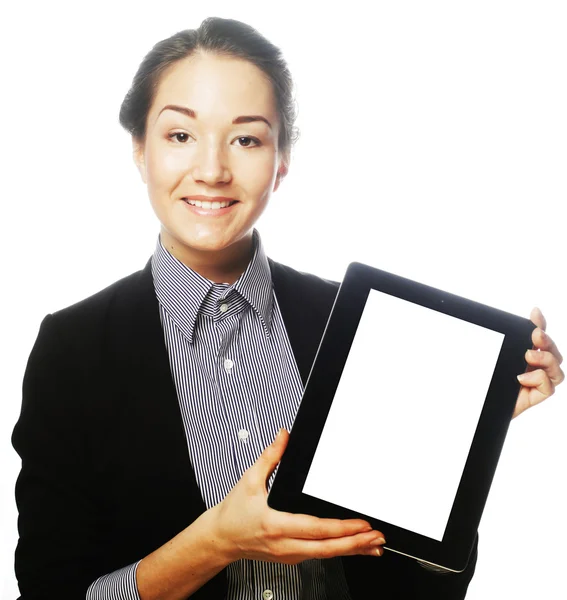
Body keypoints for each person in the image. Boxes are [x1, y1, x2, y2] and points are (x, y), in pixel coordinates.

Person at [11, 16, 564, 600]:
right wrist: (215, 543)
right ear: (140, 151)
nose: (212, 170)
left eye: (247, 138)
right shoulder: (71, 350)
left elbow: (414, 583)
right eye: (180, 136)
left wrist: (454, 444)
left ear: (282, 160)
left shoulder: (352, 325)